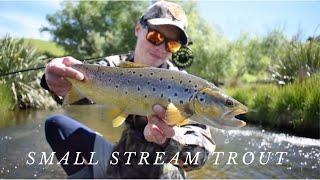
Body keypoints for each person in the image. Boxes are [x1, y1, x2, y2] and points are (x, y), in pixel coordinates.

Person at [41, 1, 215, 178]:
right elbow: (78, 90)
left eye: (172, 45)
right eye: (155, 37)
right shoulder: (115, 67)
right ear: (138, 29)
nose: (162, 48)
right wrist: (57, 79)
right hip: (118, 161)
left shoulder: (184, 85)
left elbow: (201, 154)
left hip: (159, 172)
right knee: (56, 125)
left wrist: (170, 139)